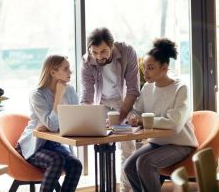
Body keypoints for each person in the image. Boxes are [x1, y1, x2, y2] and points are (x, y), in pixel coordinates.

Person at [123, 38, 198, 192]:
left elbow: (174, 123)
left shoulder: (180, 88)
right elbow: (138, 111)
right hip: (157, 142)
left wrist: (143, 121)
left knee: (145, 163)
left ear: (164, 67)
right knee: (129, 166)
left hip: (180, 144)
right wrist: (132, 117)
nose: (145, 72)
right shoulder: (147, 88)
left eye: (150, 68)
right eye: (144, 68)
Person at [80, 27, 140, 192]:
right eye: (95, 52)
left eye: (104, 51)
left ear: (112, 45)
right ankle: (108, 188)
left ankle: (126, 189)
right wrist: (88, 119)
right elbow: (87, 97)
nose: (99, 56)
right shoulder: (87, 62)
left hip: (124, 102)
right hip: (102, 104)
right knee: (105, 148)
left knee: (128, 148)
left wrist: (120, 117)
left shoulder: (127, 52)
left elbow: (134, 89)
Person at [16, 55, 82, 192]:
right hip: (33, 146)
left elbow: (75, 120)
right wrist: (58, 97)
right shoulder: (37, 95)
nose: (71, 72)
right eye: (66, 69)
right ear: (53, 72)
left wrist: (50, 126)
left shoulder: (70, 90)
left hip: (54, 144)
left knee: (76, 164)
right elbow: (53, 125)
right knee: (57, 161)